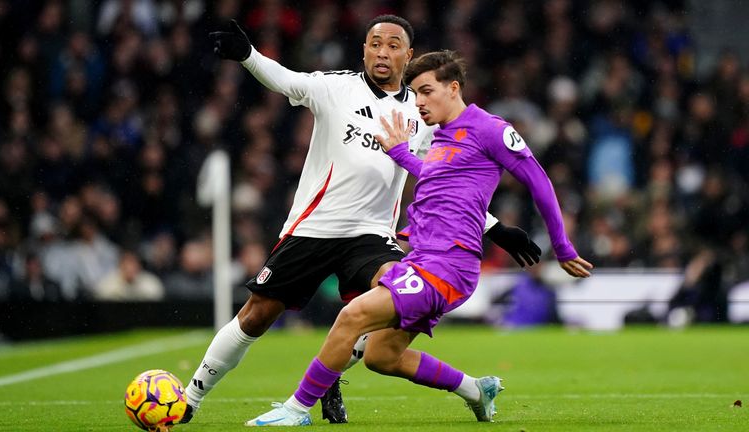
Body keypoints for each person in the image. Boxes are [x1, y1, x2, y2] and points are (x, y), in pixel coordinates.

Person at [184, 16, 542, 424]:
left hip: (371, 234)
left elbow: (447, 189)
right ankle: (191, 399)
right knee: (255, 315)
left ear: (408, 57)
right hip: (312, 228)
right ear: (364, 50)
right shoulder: (336, 87)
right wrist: (247, 55)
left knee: (395, 296)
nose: (382, 52)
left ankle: (321, 379)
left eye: (393, 45)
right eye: (375, 43)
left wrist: (494, 229)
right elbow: (286, 80)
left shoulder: (420, 112)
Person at [245, 50, 593, 427]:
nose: (418, 102)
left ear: (453, 87)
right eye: (414, 93)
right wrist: (399, 153)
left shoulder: (491, 128)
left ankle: (296, 410)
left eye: (426, 91)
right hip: (422, 258)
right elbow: (435, 178)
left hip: (449, 263)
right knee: (382, 357)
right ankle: (477, 390)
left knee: (353, 314)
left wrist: (562, 247)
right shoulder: (442, 137)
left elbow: (538, 180)